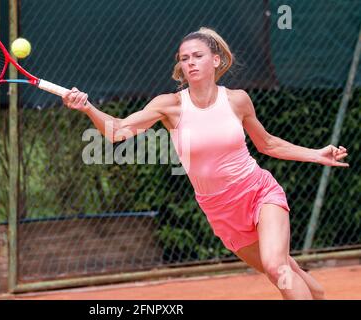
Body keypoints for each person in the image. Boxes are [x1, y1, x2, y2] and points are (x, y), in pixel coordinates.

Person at [61, 27, 349, 300]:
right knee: (285, 271)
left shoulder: (237, 100)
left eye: (197, 56)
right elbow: (116, 131)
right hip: (221, 212)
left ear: (216, 60)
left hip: (259, 192)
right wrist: (88, 107)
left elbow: (268, 144)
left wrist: (316, 154)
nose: (191, 63)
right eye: (184, 59)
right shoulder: (169, 105)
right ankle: (319, 296)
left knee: (277, 267)